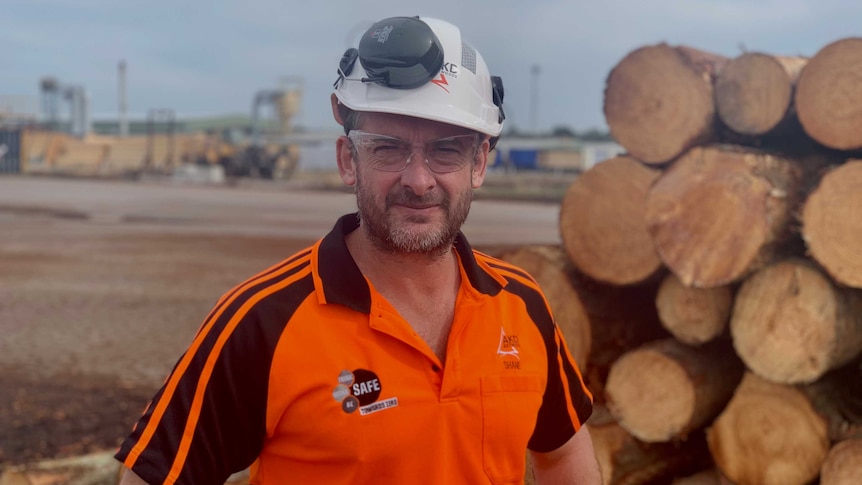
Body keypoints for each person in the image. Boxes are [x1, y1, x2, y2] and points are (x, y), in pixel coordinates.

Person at [116, 15, 600, 485]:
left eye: (446, 150)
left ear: (479, 163)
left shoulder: (520, 305)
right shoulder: (263, 320)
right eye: (387, 148)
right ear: (349, 160)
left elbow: (564, 449)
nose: (418, 179)